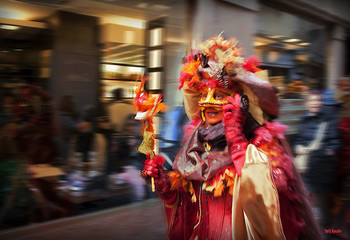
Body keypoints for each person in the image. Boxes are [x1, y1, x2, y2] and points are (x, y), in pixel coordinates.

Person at [142, 35, 322, 239]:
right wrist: (164, 184)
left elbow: (271, 196)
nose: (208, 102)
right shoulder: (196, 143)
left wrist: (236, 137)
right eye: (204, 95)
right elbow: (187, 203)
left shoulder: (260, 141)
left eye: (218, 95)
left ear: (240, 102)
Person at [294, 90, 341, 231]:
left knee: (322, 200)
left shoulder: (328, 119)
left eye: (317, 101)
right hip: (307, 168)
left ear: (320, 103)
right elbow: (299, 139)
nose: (315, 103)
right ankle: (310, 227)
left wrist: (328, 151)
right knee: (305, 198)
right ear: (307, 103)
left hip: (323, 167)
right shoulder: (304, 119)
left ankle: (325, 229)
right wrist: (298, 147)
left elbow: (335, 141)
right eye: (312, 101)